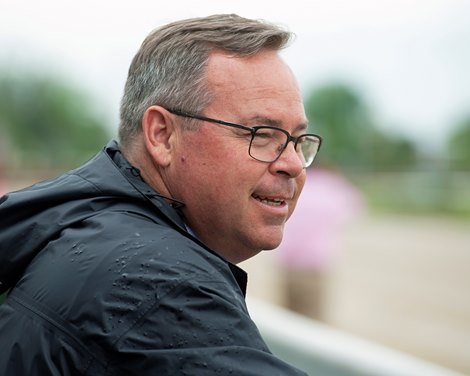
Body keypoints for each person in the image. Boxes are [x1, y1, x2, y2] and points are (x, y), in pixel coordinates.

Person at [0, 14, 322, 375]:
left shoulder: (85, 223)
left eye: (297, 140)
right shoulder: (160, 285)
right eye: (262, 134)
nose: (293, 164)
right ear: (162, 135)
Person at [277, 166, 364, 321]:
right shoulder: (332, 187)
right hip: (315, 265)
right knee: (313, 321)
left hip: (288, 264)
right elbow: (354, 210)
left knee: (288, 319)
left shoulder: (292, 183)